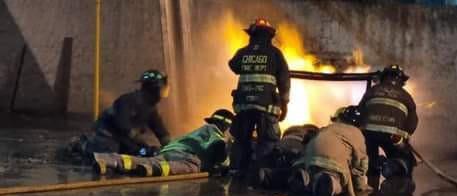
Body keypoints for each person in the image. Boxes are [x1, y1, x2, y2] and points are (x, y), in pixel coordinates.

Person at [228, 18, 291, 177]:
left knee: (241, 140)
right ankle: (262, 174)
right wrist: (284, 104)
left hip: (244, 106)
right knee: (268, 141)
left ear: (251, 35)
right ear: (270, 35)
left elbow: (233, 65)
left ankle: (237, 172)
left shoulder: (242, 53)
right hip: (266, 106)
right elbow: (284, 80)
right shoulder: (275, 54)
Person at [66, 70, 172, 161]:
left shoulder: (150, 109)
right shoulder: (126, 101)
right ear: (154, 88)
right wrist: (139, 148)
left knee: (142, 151)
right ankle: (81, 146)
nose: (164, 92)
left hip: (124, 139)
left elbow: (161, 133)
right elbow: (123, 128)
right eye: (162, 88)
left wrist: (174, 148)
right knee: (111, 154)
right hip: (108, 137)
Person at [92, 109, 234, 177]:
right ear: (226, 127)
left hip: (168, 150)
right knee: (190, 167)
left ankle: (105, 159)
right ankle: (151, 170)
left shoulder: (200, 131)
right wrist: (225, 166)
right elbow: (218, 147)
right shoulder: (215, 133)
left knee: (144, 160)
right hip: (187, 157)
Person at [358, 65, 419, 195]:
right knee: (404, 158)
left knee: (370, 158)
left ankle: (374, 167)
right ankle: (393, 167)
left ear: (382, 78)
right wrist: (404, 138)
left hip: (368, 132)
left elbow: (360, 111)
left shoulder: (372, 90)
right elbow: (412, 122)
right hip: (393, 135)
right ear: (401, 81)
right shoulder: (406, 96)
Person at [288, 106, 369, 196]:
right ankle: (328, 182)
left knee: (311, 172)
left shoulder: (326, 128)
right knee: (338, 182)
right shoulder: (358, 134)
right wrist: (361, 185)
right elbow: (361, 164)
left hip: (306, 161)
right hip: (331, 166)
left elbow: (308, 143)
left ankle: (304, 177)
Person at [252, 124, 320, 190]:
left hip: (283, 143)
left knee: (282, 164)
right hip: (298, 144)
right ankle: (298, 177)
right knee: (294, 166)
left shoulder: (292, 129)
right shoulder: (313, 133)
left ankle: (267, 175)